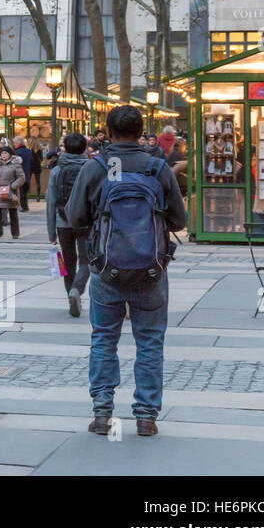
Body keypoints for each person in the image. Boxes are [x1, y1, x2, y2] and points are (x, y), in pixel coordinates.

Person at [65, 104, 187, 438]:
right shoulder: (156, 168)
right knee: (150, 342)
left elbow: (74, 217)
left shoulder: (97, 167)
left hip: (107, 271)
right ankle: (146, 416)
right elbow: (179, 220)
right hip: (151, 271)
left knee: (104, 338)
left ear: (108, 132)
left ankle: (103, 412)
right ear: (141, 130)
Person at [47, 132, 91, 317]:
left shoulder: (57, 169)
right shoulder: (90, 167)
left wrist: (51, 232)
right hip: (85, 221)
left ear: (65, 148)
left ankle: (70, 296)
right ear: (84, 148)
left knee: (68, 262)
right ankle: (77, 290)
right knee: (86, 261)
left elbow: (51, 201)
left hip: (62, 221)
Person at [0, 146, 26, 239]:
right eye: (2, 153)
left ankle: (15, 233)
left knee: (13, 212)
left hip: (10, 192)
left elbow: (21, 178)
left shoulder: (15, 164)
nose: (3, 155)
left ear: (10, 154)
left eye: (5, 153)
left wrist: (12, 186)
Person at [12, 136, 34, 211]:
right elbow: (32, 162)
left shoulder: (17, 152)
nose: (13, 144)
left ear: (18, 143)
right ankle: (25, 206)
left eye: (14, 143)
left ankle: (21, 206)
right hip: (27, 173)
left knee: (20, 191)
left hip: (19, 174)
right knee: (24, 191)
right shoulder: (29, 151)